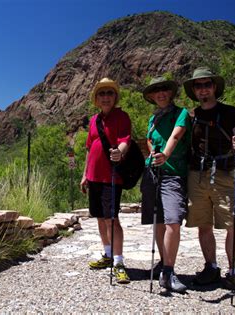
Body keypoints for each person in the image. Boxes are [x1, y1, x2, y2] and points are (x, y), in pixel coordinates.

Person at [183, 67, 235, 296]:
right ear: (194, 90)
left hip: (225, 173)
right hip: (197, 174)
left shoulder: (230, 112)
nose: (203, 89)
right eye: (198, 85)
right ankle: (211, 268)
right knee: (203, 224)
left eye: (207, 84)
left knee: (234, 225)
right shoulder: (191, 115)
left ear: (214, 87)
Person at [140, 76, 190, 293]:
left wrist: (165, 155)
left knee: (172, 221)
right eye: (156, 91)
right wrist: (153, 152)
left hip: (172, 174)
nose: (160, 93)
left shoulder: (182, 114)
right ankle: (163, 263)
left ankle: (168, 270)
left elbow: (176, 136)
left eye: (164, 90)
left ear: (170, 93)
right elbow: (150, 139)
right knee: (158, 221)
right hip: (152, 172)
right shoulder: (153, 118)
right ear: (151, 96)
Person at [80, 77, 131, 284]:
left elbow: (125, 141)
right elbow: (89, 148)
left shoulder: (122, 117)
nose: (106, 97)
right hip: (94, 177)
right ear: (96, 99)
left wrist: (119, 152)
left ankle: (118, 262)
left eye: (110, 93)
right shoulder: (94, 120)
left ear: (115, 97)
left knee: (112, 219)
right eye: (102, 93)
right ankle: (108, 255)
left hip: (112, 176)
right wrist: (84, 174)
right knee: (100, 217)